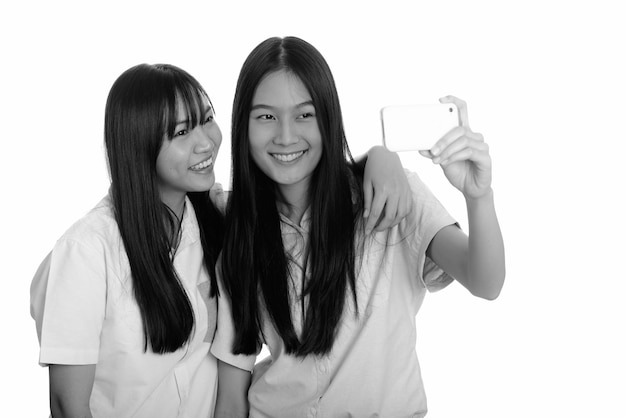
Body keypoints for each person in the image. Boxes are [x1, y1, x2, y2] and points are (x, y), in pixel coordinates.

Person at [30, 63, 411, 417]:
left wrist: (378, 158)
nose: (206, 143)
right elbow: (67, 405)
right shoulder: (87, 250)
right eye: (181, 132)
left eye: (207, 120)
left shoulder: (217, 217)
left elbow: (302, 181)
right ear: (137, 145)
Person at [211, 36, 506, 417]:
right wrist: (377, 156)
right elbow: (233, 393)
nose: (286, 136)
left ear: (329, 118)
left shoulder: (391, 198)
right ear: (243, 126)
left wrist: (478, 196)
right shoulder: (237, 226)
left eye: (305, 114)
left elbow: (486, 282)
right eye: (266, 116)